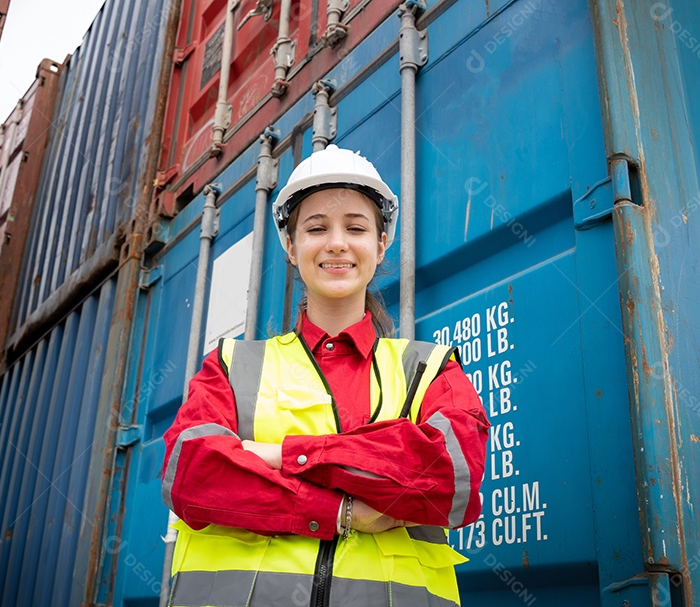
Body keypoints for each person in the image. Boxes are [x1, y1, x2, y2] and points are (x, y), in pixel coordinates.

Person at [161, 145, 489, 607]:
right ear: (292, 248)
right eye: (317, 228)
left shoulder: (427, 370)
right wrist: (340, 511)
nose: (337, 242)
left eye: (355, 227)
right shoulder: (234, 367)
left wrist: (282, 454)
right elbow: (190, 474)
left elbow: (450, 478)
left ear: (380, 245)